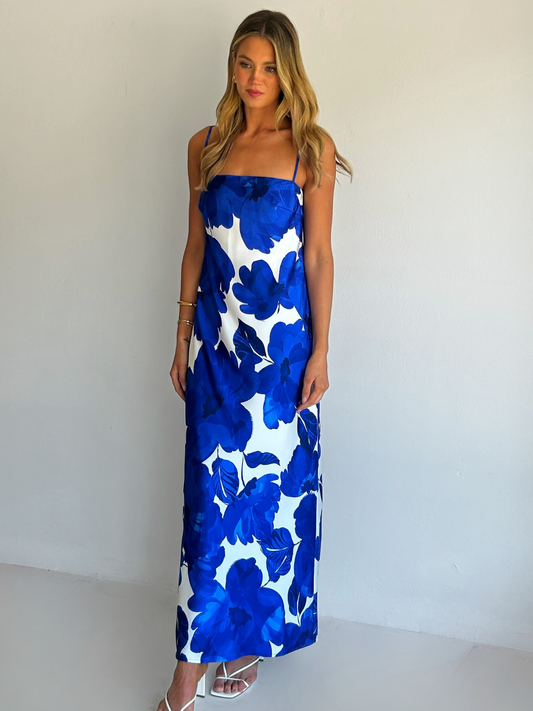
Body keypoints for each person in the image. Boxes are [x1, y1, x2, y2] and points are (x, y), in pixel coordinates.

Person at [158, 9, 352, 711]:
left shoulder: (311, 148)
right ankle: (188, 670)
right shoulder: (205, 146)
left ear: (288, 71)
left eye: (269, 66)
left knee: (270, 502)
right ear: (232, 66)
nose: (255, 78)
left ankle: (244, 643)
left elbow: (319, 256)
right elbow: (194, 247)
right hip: (217, 350)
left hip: (282, 361)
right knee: (210, 507)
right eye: (245, 63)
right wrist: (181, 335)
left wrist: (321, 350)